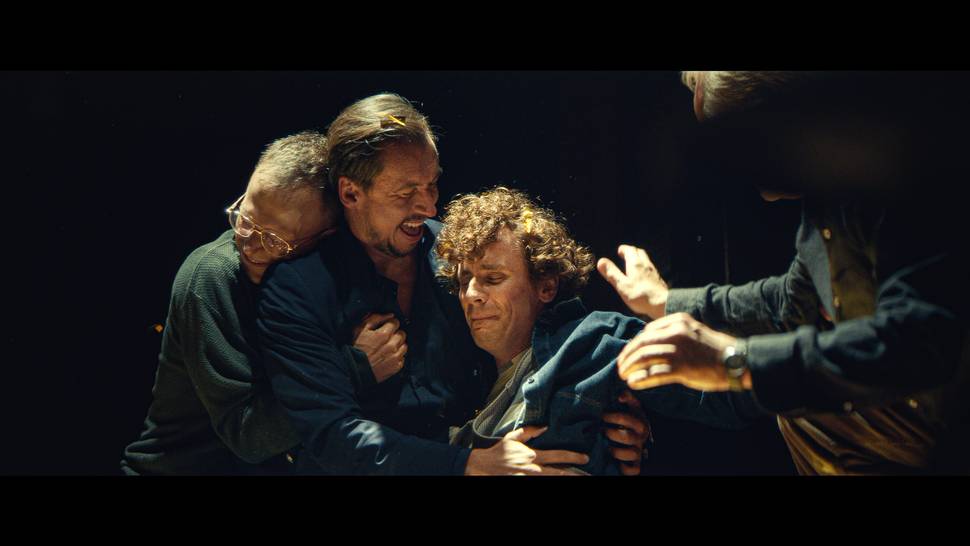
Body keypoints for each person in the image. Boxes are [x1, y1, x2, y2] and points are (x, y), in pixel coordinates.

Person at [598, 71, 970, 474]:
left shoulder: (907, 169)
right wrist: (664, 301)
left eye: (736, 144)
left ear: (784, 114)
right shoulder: (824, 198)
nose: (730, 168)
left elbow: (919, 342)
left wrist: (733, 361)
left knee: (805, 403)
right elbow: (791, 302)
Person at [256, 93, 649, 475]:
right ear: (350, 192)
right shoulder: (296, 288)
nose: (428, 206)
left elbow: (551, 348)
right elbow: (331, 436)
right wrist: (465, 465)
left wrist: (614, 419)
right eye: (406, 193)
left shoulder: (458, 251)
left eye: (431, 185)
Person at [122, 131, 404, 475]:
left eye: (273, 239)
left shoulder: (326, 276)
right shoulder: (212, 275)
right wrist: (355, 368)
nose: (249, 244)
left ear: (324, 238)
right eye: (244, 218)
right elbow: (248, 436)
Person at [437, 187, 761, 474]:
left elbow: (731, 399)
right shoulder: (455, 373)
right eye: (464, 281)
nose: (471, 294)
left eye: (493, 279)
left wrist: (650, 440)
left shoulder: (594, 340)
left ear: (546, 286)